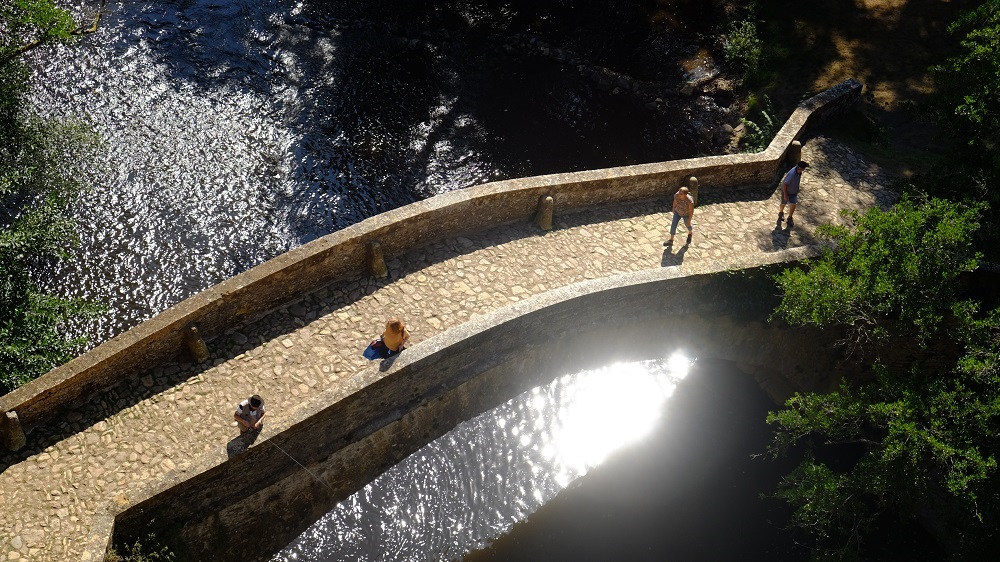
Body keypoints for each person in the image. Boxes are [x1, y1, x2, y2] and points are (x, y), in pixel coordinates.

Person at [778, 161, 809, 228]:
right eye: (804, 168)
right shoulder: (792, 175)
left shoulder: (799, 172)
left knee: (793, 204)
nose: (804, 169)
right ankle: (781, 212)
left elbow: (797, 180)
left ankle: (790, 217)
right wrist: (785, 195)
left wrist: (797, 188)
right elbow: (785, 184)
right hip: (786, 191)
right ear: (800, 168)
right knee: (783, 203)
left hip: (793, 192)